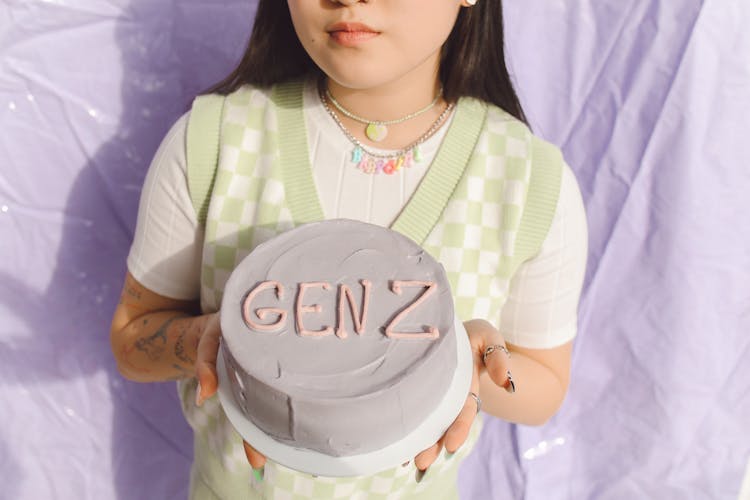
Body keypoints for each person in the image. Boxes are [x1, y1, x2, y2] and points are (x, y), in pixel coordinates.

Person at [110, 0, 588, 498]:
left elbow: (545, 386)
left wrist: (457, 365)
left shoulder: (529, 180)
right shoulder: (212, 143)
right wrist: (211, 338)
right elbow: (132, 340)